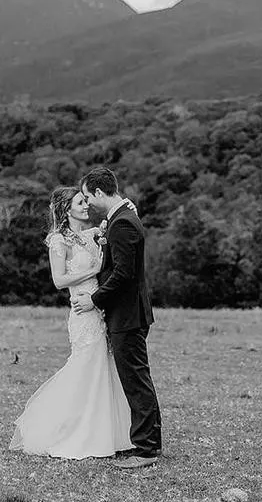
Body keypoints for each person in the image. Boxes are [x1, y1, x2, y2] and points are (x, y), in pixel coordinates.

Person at [9, 186, 133, 459]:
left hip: (98, 309)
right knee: (84, 366)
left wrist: (129, 207)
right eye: (80, 201)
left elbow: (112, 224)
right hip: (81, 310)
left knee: (102, 367)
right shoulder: (58, 241)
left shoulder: (90, 235)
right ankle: (70, 430)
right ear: (67, 209)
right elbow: (58, 280)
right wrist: (93, 270)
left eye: (86, 200)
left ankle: (104, 433)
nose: (86, 205)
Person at [72, 167, 162, 469]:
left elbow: (123, 274)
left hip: (127, 314)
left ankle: (147, 449)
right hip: (128, 313)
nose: (87, 203)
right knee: (133, 378)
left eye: (87, 196)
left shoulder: (123, 224)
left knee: (136, 380)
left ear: (99, 192)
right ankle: (142, 442)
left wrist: (94, 300)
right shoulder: (121, 217)